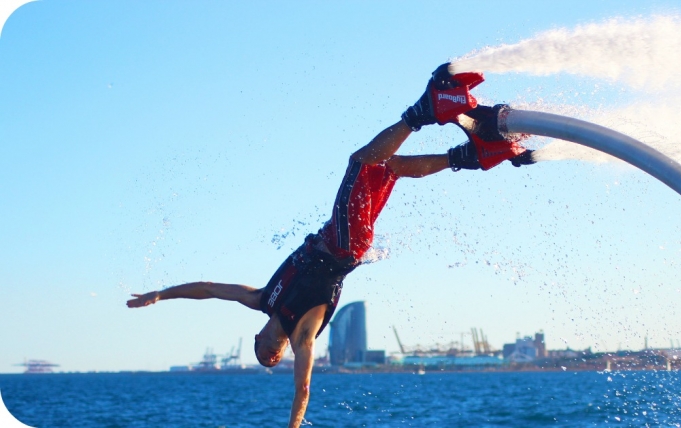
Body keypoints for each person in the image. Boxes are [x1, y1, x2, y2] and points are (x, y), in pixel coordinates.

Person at [126, 64, 536, 427]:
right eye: (275, 359)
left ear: (258, 339)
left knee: (389, 167)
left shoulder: (262, 300)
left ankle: (474, 155)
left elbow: (209, 289)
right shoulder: (303, 334)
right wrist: (294, 426)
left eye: (265, 354)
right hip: (343, 244)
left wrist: (161, 294)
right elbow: (302, 390)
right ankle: (425, 110)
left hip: (346, 238)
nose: (273, 355)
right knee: (360, 162)